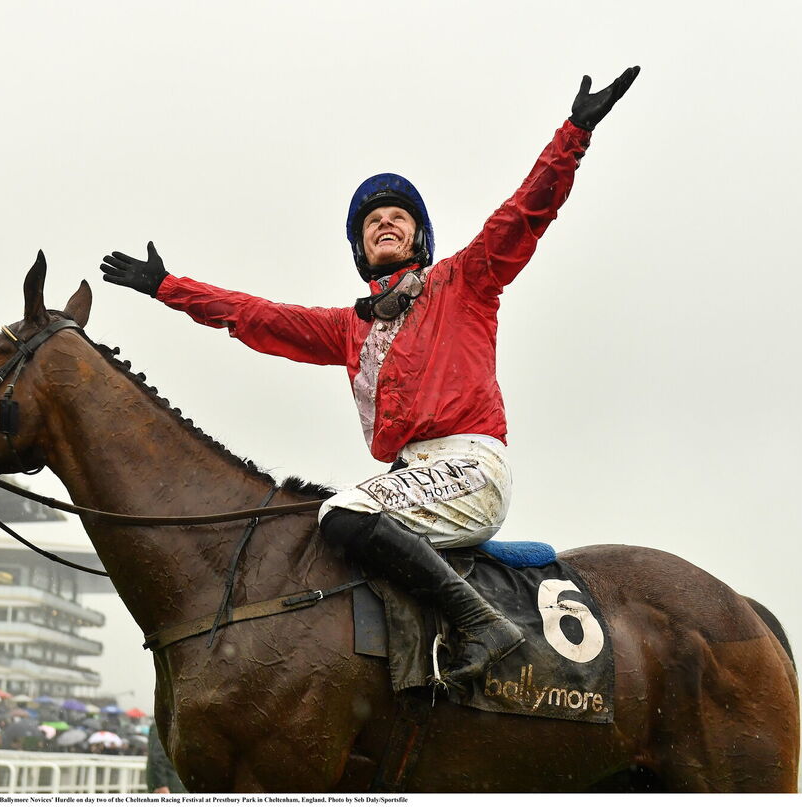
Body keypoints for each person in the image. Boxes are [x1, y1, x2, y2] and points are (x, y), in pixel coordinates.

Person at [101, 68, 639, 690]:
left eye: (398, 217)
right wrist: (170, 288)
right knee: (324, 534)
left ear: (419, 237)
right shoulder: (349, 330)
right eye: (371, 220)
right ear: (360, 246)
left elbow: (526, 211)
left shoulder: (464, 282)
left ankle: (486, 626)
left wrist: (575, 132)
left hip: (472, 466)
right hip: (412, 477)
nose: (385, 223)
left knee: (341, 515)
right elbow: (257, 317)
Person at [145, 722, 186, 794]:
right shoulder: (165, 723)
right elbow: (157, 757)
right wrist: (161, 785)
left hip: (173, 782)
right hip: (169, 784)